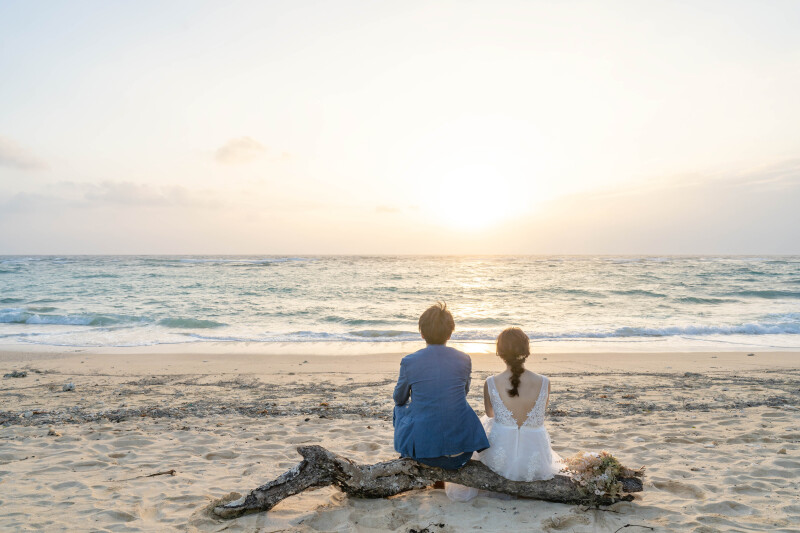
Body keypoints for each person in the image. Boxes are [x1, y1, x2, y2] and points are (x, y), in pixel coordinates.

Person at [446, 327, 563, 502]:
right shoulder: (545, 382)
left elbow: (490, 414)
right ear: (526, 351)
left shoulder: (491, 382)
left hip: (501, 459)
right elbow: (540, 415)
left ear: (500, 353)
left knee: (487, 421)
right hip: (535, 457)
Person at [393, 302, 489, 470]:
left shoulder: (409, 361)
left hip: (423, 455)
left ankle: (407, 452)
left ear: (422, 333)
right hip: (461, 453)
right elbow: (463, 392)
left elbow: (399, 398)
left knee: (399, 408)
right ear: (450, 334)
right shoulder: (464, 359)